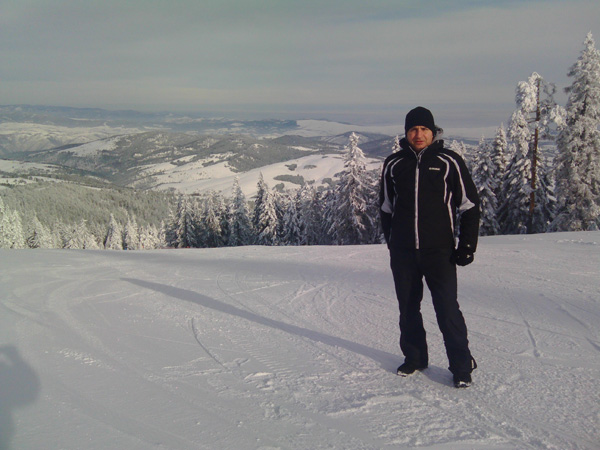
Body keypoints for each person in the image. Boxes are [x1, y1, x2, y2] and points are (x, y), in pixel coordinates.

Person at [379, 106, 480, 388]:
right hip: (404, 253)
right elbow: (386, 208)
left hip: (439, 252)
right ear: (406, 133)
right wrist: (393, 243)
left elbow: (469, 206)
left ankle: (461, 366)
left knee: (447, 310)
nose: (419, 134)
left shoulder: (449, 161)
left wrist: (467, 245)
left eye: (424, 129)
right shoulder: (394, 164)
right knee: (408, 308)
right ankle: (415, 357)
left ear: (433, 132)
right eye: (413, 129)